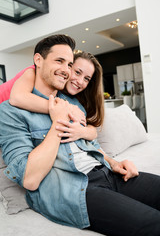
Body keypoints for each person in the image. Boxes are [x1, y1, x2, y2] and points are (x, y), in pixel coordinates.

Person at [0, 34, 160, 236]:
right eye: (59, 61)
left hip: (106, 173)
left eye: (69, 64)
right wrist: (58, 119)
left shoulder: (72, 102)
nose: (66, 71)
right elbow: (30, 179)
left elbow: (90, 141)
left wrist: (113, 162)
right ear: (38, 61)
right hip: (75, 190)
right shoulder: (11, 111)